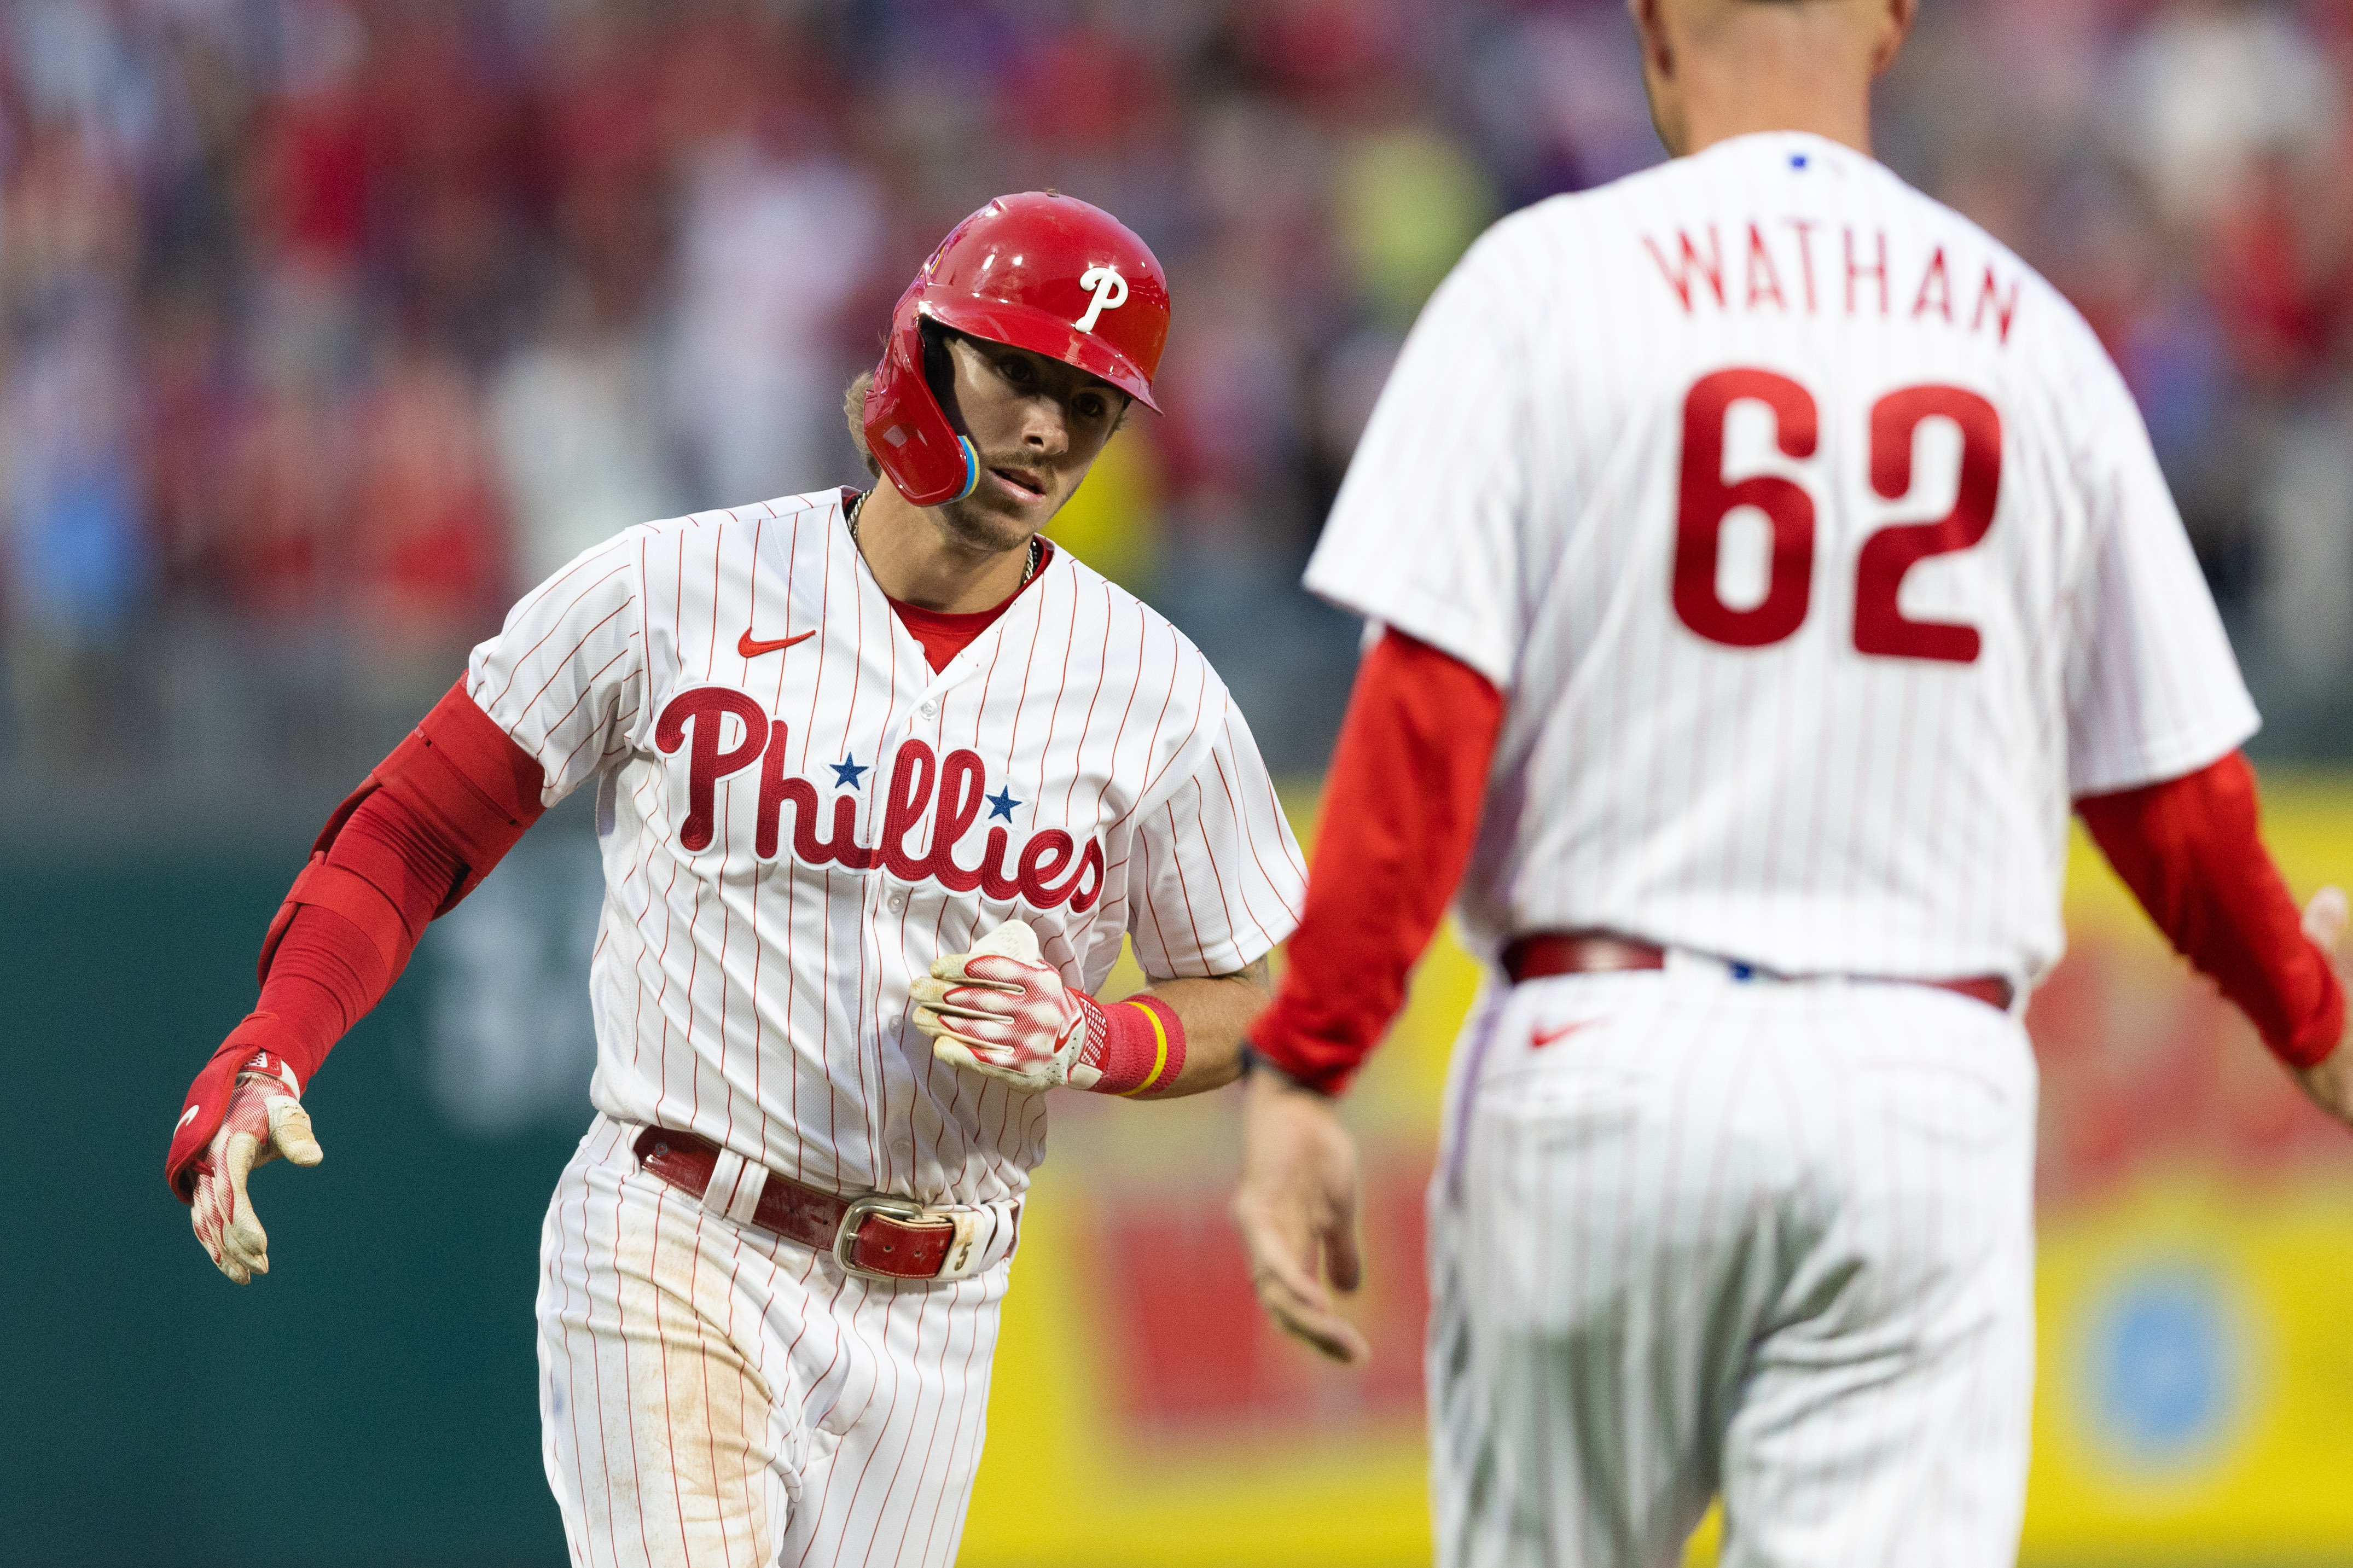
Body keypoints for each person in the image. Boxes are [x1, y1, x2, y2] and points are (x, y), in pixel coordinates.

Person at [1227, 3, 2353, 1565]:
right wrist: (2304, 1007)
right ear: (1890, 20)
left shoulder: (1542, 284)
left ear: (1650, 28)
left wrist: (1307, 1065)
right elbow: (2169, 798)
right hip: (1916, 1082)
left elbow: (1425, 721)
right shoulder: (2027, 335)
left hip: (1598, 1052)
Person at [166, 191, 1306, 1567]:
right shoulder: (673, 587)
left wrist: (1106, 1036)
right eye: (1020, 373)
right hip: (678, 1233)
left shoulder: (1155, 691)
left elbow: (1252, 1000)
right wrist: (272, 1042)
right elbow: (408, 829)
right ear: (927, 349)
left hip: (938, 1302)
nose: (1051, 430)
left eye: (1091, 401)